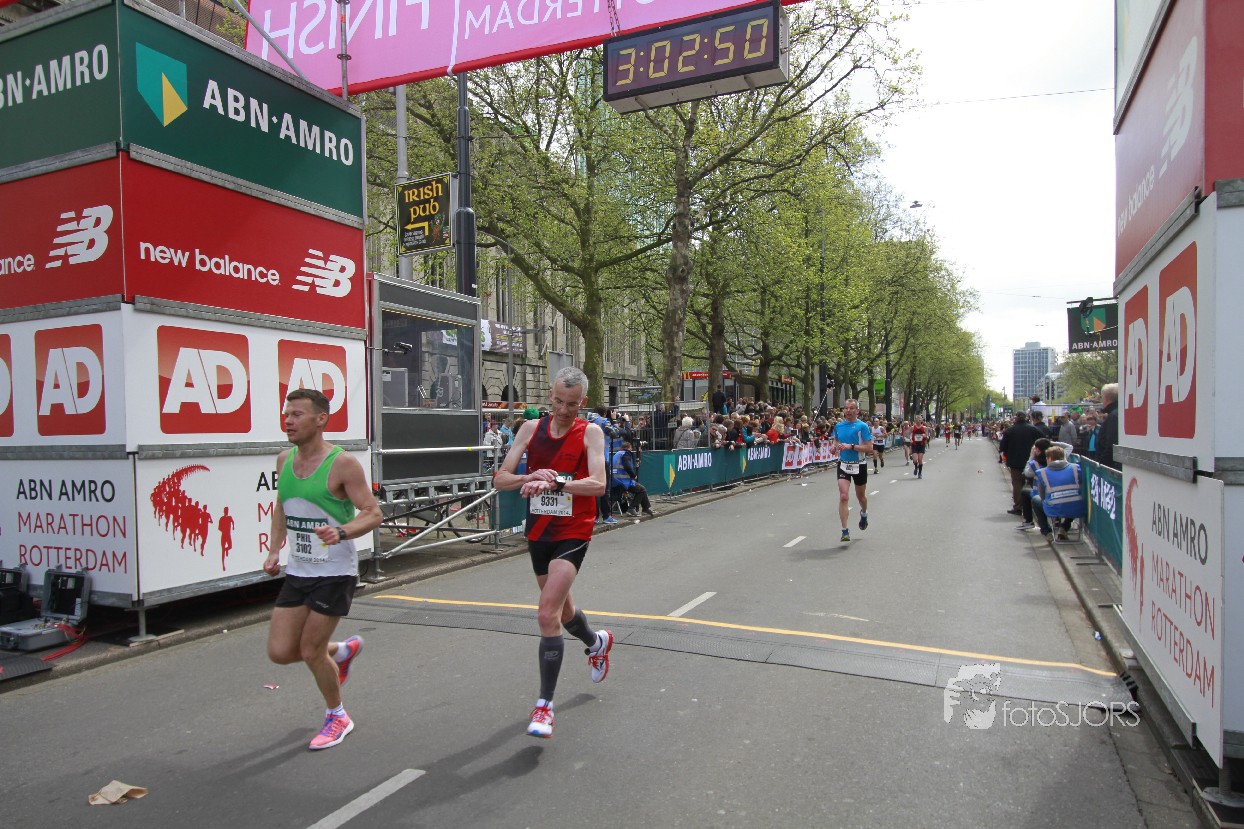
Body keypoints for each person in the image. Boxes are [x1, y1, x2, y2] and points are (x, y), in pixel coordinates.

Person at [493, 367, 614, 740]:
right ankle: (596, 642)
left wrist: (557, 482)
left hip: (573, 531)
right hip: (539, 531)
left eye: (571, 404)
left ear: (583, 402)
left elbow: (598, 484)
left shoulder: (590, 432)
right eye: (558, 401)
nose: (563, 410)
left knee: (546, 613)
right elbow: (500, 479)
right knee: (562, 612)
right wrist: (529, 477)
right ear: (550, 395)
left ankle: (544, 706)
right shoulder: (530, 429)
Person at [264, 389, 383, 751]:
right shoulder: (284, 460)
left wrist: (342, 531)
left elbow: (373, 513)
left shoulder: (342, 464)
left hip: (334, 571)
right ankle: (341, 652)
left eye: (297, 414)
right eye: (287, 414)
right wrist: (274, 549)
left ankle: (337, 716)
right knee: (280, 651)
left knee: (311, 650)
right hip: (299, 571)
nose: (288, 421)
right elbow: (282, 507)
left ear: (320, 420)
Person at [832, 398, 873, 543]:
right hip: (843, 464)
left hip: (859, 464)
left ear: (857, 411)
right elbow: (836, 440)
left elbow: (869, 448)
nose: (848, 411)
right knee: (844, 496)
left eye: (851, 408)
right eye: (846, 408)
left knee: (860, 496)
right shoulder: (838, 426)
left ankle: (864, 513)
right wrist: (833, 447)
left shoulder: (862, 426)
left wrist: (851, 446)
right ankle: (845, 530)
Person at [1033, 445, 1088, 541]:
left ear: (1050, 458)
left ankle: (1047, 532)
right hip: (1077, 507)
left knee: (1035, 499)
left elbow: (1042, 496)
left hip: (1053, 509)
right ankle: (1064, 527)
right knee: (1072, 500)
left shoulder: (1042, 472)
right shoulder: (1075, 468)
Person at [998, 411, 1043, 516]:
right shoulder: (1033, 429)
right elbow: (1043, 441)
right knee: (1032, 483)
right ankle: (1033, 506)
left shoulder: (1010, 430)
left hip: (1015, 461)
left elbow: (1002, 446)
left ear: (1016, 418)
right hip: (1032, 461)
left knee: (1017, 484)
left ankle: (1018, 506)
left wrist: (1006, 454)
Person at [611, 440, 654, 517]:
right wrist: (633, 476)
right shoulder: (626, 453)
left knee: (641, 488)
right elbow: (627, 466)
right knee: (641, 490)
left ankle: (646, 508)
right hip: (622, 482)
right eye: (631, 448)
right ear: (629, 448)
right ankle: (632, 508)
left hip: (613, 481)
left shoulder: (616, 454)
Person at [1097, 383, 1120, 470]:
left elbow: (1111, 443)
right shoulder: (1114, 414)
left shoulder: (1114, 416)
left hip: (1110, 466)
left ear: (1105, 398)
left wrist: (1102, 464)